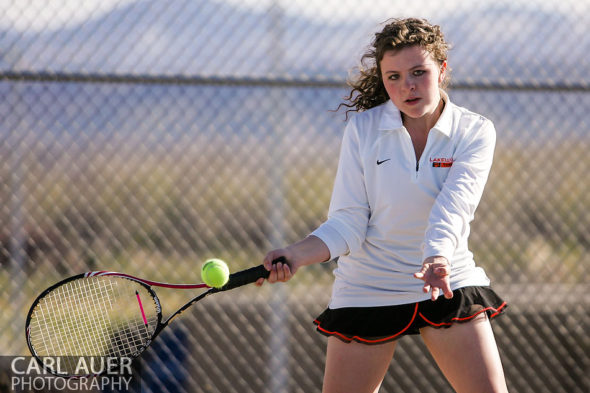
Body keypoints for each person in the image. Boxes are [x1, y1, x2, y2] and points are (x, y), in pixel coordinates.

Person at [256, 17, 509, 393]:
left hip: (446, 278)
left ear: (442, 70)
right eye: (393, 77)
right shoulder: (363, 130)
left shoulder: (473, 131)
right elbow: (348, 222)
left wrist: (437, 257)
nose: (406, 86)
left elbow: (455, 205)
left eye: (418, 72)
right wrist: (295, 254)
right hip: (367, 285)